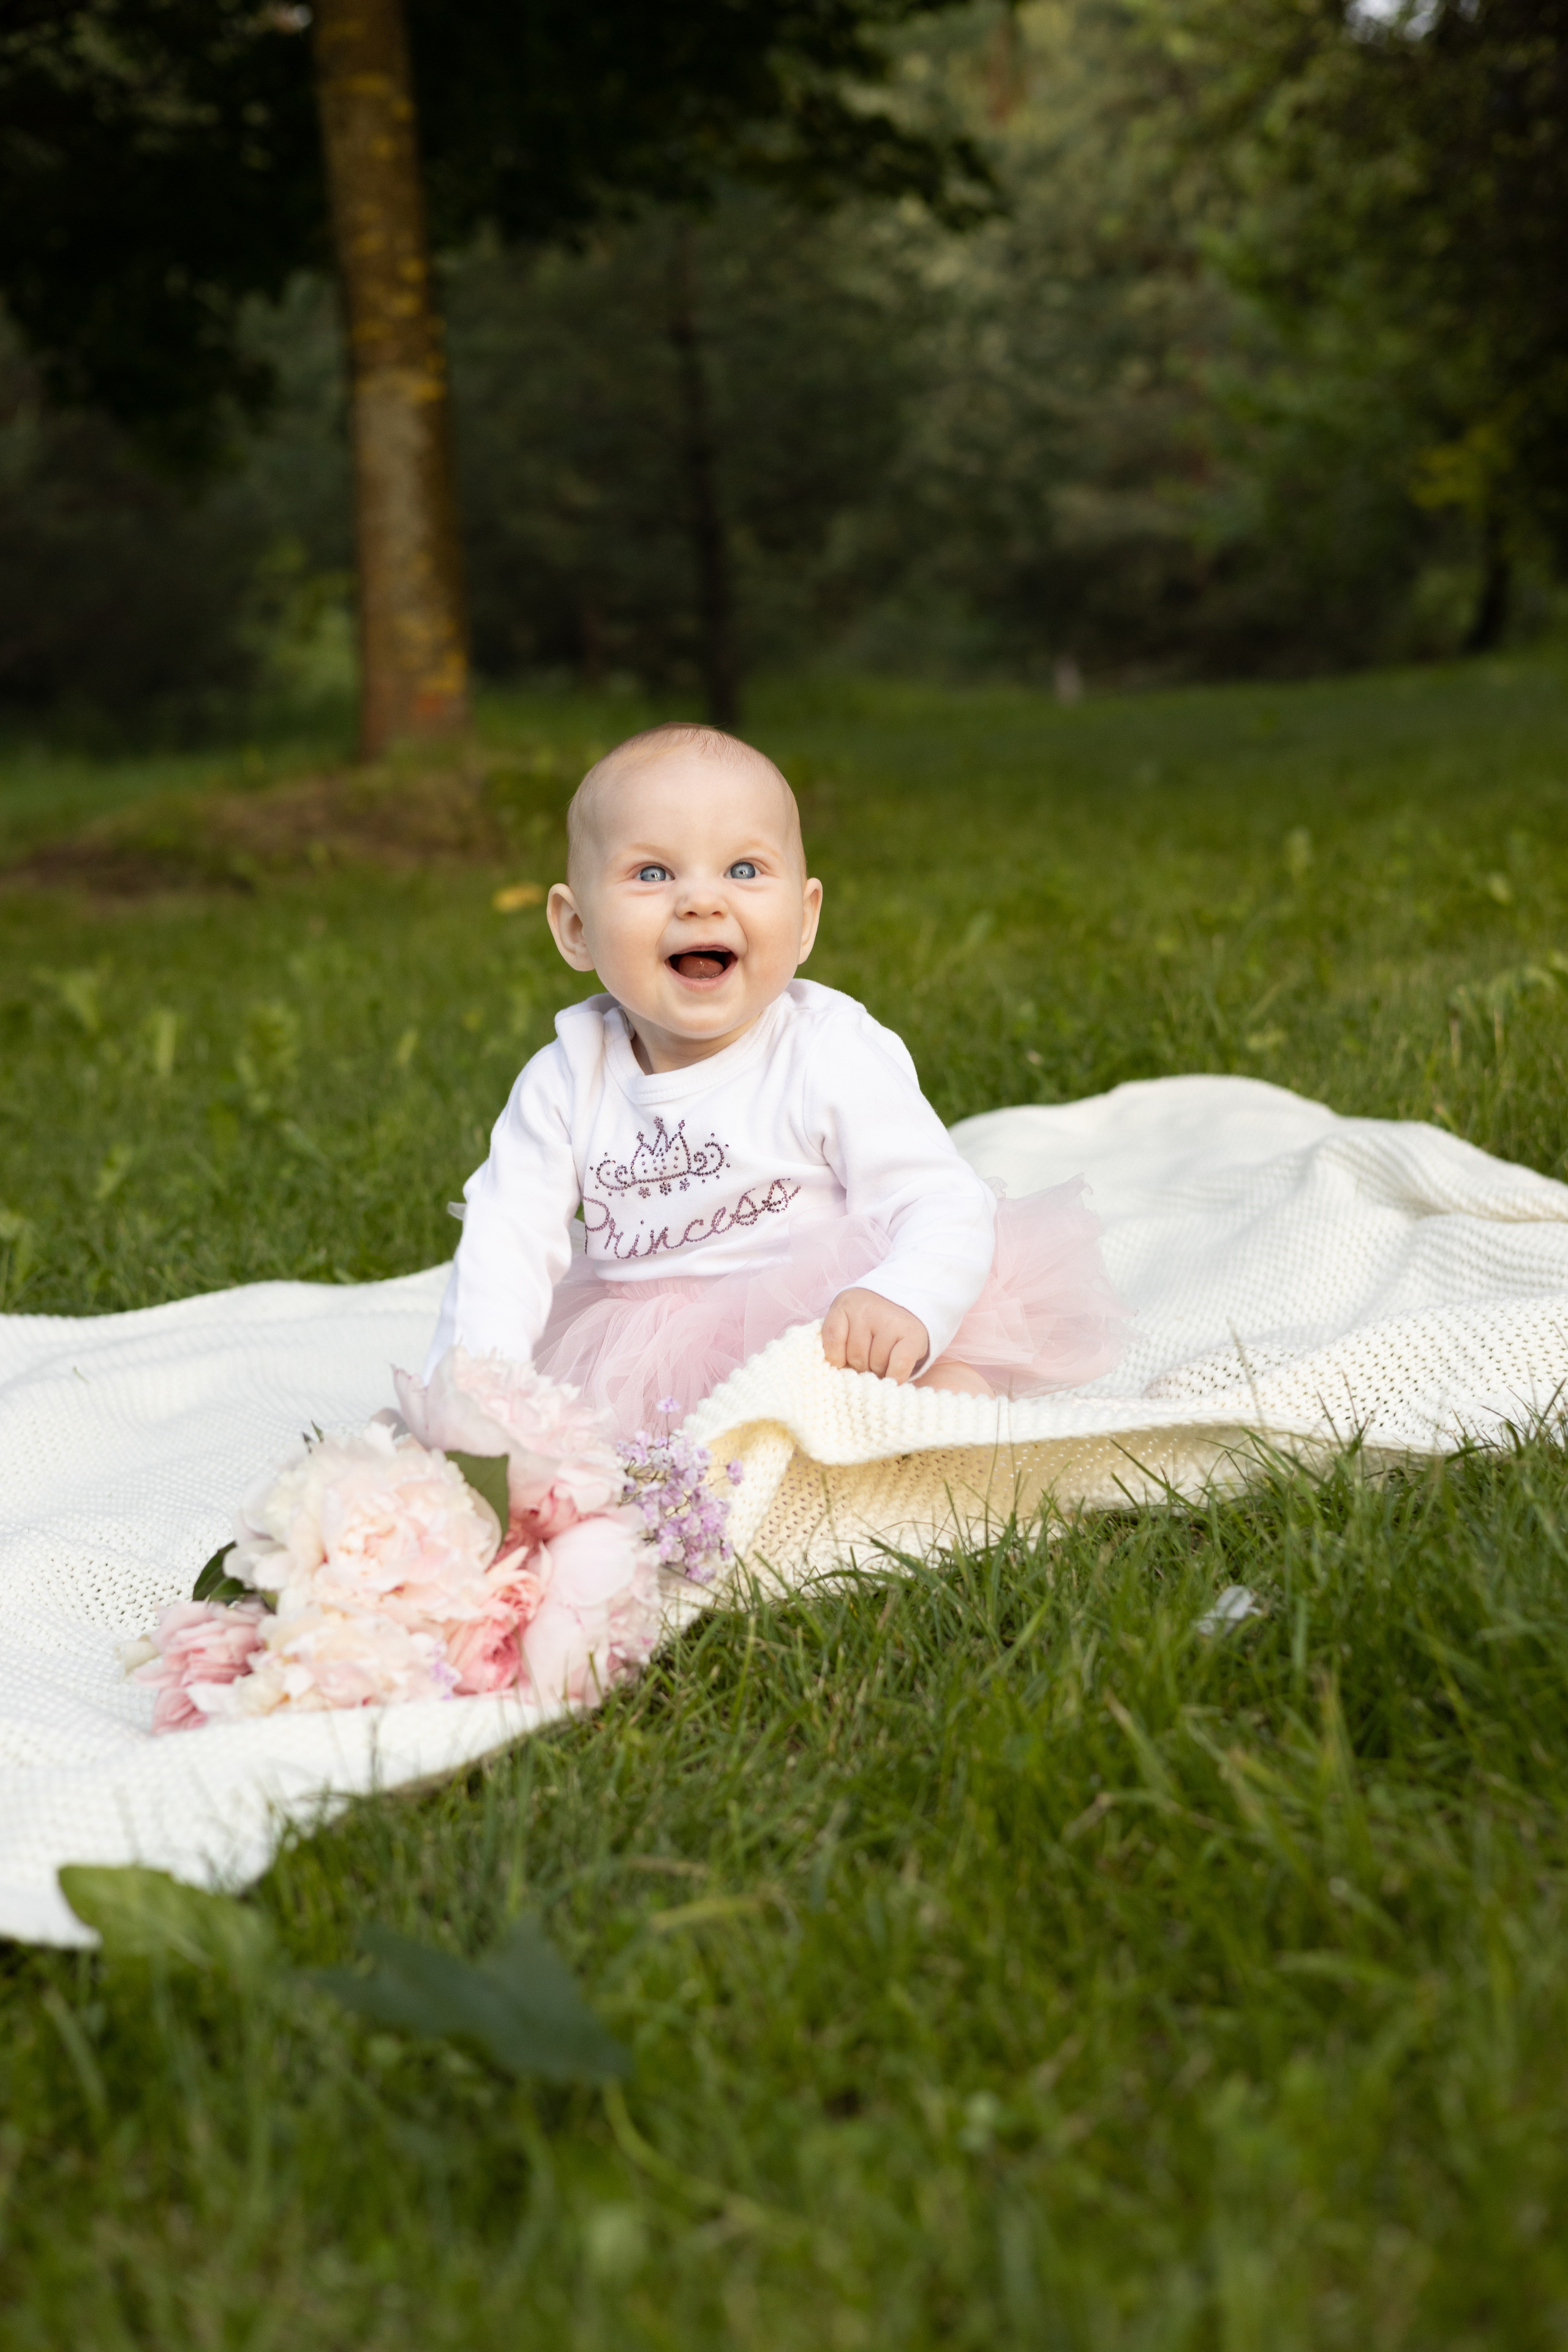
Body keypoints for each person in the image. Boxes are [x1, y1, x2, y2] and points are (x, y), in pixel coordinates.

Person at [426, 721, 1127, 1432]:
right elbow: (503, 1245)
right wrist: (471, 1403)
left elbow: (937, 1196)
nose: (701, 901)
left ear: (803, 919)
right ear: (575, 928)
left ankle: (946, 1413)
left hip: (832, 1323)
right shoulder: (567, 1077)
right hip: (653, 1365)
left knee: (928, 1395)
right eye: (652, 873)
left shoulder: (826, 1049)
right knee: (628, 1465)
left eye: (743, 870)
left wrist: (907, 1297)